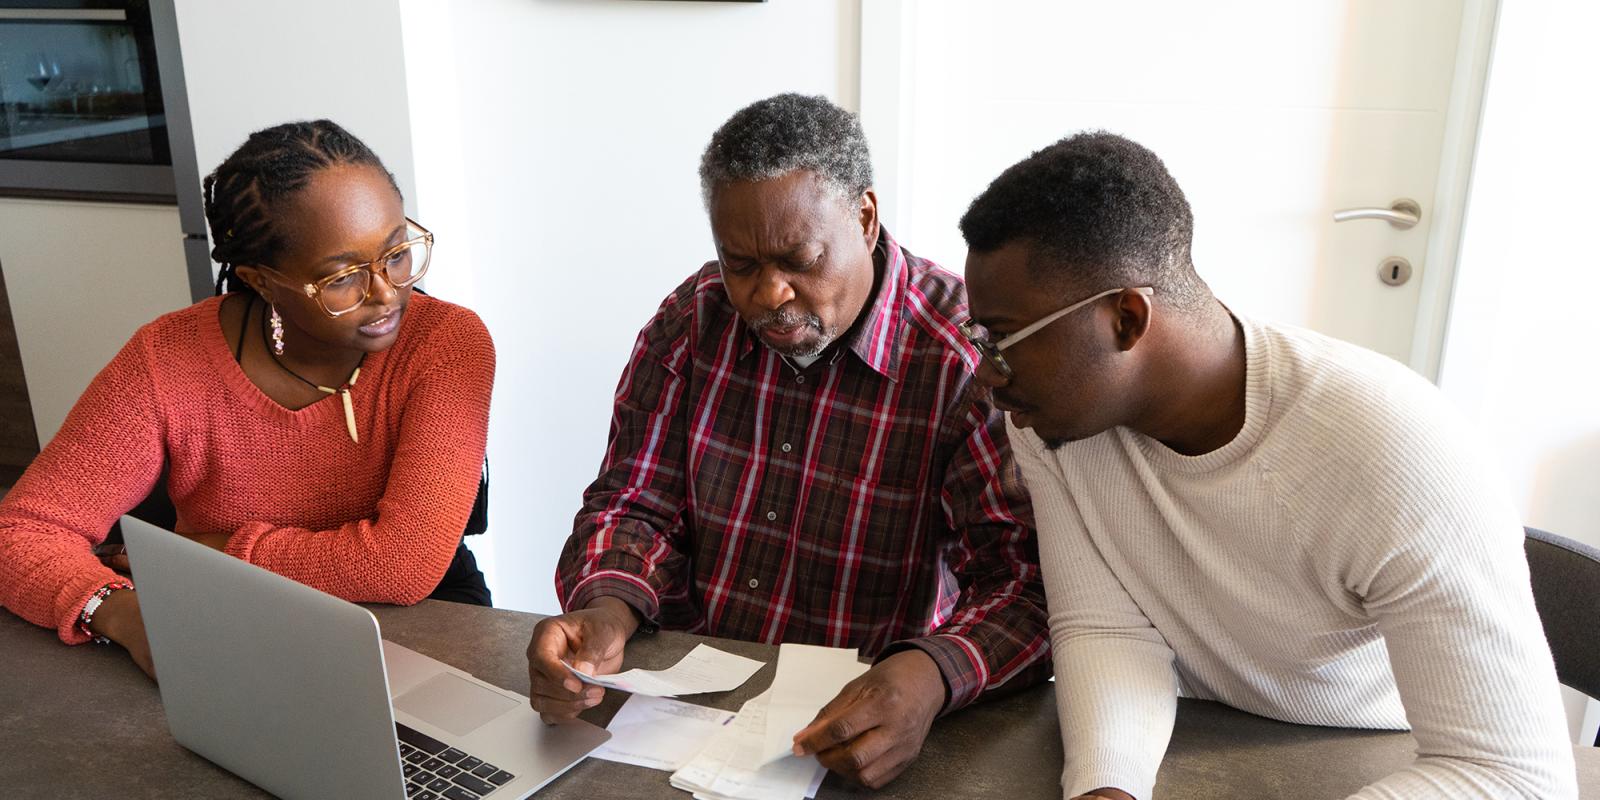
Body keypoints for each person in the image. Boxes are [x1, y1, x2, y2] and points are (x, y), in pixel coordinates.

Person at [956, 131, 1576, 799]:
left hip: (1387, 755)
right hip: (1192, 731)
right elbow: (1107, 626)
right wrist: (1108, 788)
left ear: (1126, 319)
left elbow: (1514, 776)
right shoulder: (1057, 422)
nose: (987, 376)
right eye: (978, 338)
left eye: (1005, 340)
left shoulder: (1395, 448)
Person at [526, 93, 1050, 788]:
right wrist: (608, 608)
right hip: (684, 711)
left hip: (867, 718)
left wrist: (930, 676)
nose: (769, 294)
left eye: (798, 259)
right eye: (739, 263)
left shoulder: (961, 359)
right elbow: (631, 500)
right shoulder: (693, 319)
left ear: (865, 220)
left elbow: (1023, 584)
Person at [0, 120, 496, 679]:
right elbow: (21, 533)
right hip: (228, 622)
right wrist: (121, 612)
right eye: (342, 278)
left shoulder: (447, 343)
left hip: (423, 623)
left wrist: (213, 552)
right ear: (260, 281)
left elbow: (403, 567)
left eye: (397, 252)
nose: (386, 292)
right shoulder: (166, 359)